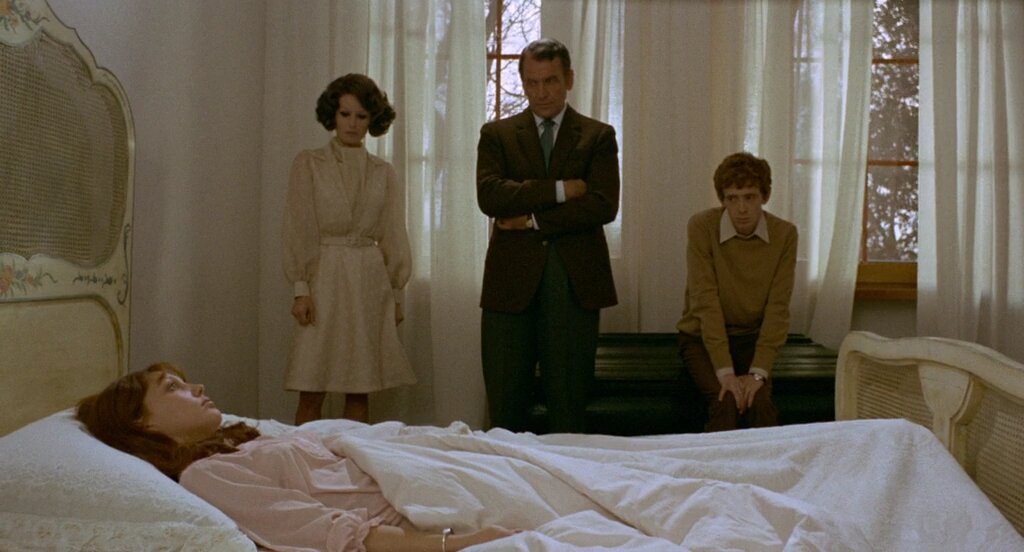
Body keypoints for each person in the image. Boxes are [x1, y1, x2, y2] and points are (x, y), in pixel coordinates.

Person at [75, 363, 515, 552]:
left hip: (419, 471)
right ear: (143, 425)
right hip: (420, 510)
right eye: (173, 388)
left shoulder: (238, 442)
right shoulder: (206, 476)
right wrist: (455, 543)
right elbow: (337, 533)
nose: (198, 388)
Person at [475, 38, 620, 433]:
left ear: (568, 79)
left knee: (568, 411)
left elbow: (603, 205)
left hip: (574, 284)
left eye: (550, 81)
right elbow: (490, 196)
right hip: (509, 286)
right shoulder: (497, 134)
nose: (541, 92)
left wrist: (531, 220)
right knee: (505, 413)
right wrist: (560, 190)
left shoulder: (598, 136)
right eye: (532, 82)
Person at [283, 74, 416, 426]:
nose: (352, 124)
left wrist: (396, 294)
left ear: (372, 120)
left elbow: (393, 233)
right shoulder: (309, 164)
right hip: (324, 278)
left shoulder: (383, 172)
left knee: (359, 387)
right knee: (312, 385)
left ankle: (354, 454)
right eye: (345, 114)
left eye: (361, 116)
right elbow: (299, 228)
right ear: (333, 115)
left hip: (368, 281)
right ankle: (302, 454)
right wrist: (301, 289)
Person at [676, 152, 798, 432]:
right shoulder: (702, 227)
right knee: (726, 399)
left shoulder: (784, 234)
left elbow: (778, 309)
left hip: (752, 338)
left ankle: (767, 462)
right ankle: (715, 462)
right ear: (722, 200)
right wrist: (726, 372)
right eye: (732, 198)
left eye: (749, 197)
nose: (741, 208)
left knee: (759, 401)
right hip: (701, 338)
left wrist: (758, 373)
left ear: (765, 196)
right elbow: (705, 302)